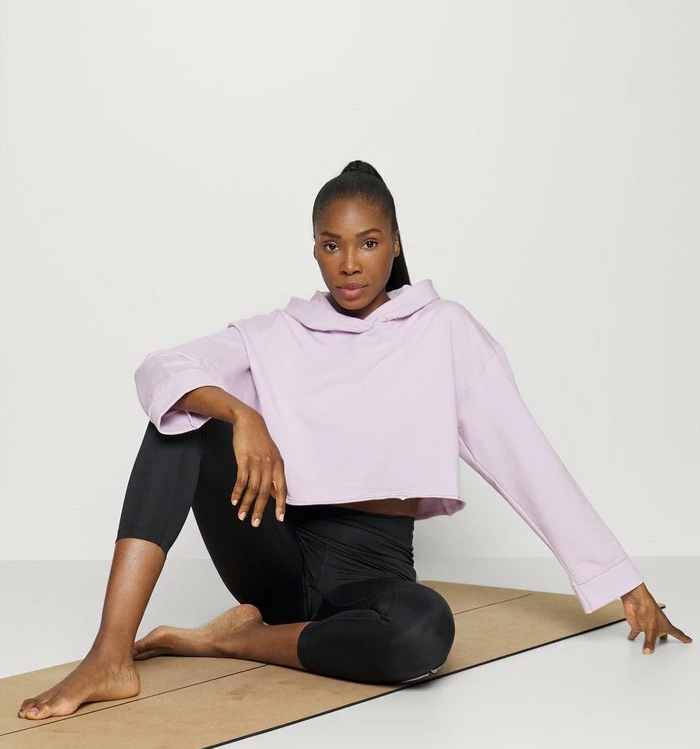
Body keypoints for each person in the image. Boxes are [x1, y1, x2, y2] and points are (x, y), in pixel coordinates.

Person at [18, 161, 691, 720]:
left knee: (425, 635)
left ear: (394, 243)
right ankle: (109, 654)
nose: (348, 264)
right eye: (331, 245)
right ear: (314, 249)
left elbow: (524, 454)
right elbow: (162, 368)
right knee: (180, 419)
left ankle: (239, 641)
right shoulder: (281, 333)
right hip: (275, 554)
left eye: (367, 243)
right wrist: (242, 414)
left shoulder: (442, 331)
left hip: (371, 575)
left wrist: (623, 581)